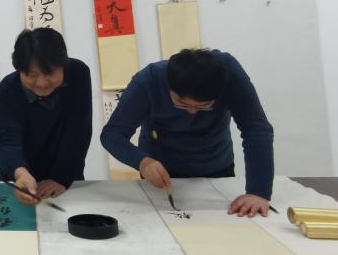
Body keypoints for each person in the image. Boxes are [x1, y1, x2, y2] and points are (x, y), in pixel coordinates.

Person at [100, 48, 275, 217]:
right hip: (160, 171)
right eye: (182, 104)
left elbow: (256, 129)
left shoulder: (229, 75)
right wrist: (142, 161)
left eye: (203, 106)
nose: (192, 112)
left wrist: (258, 192)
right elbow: (112, 134)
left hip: (216, 166)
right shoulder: (149, 81)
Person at [0, 28, 92, 205]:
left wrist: (61, 177)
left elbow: (78, 129)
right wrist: (20, 173)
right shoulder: (6, 92)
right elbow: (5, 140)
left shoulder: (78, 74)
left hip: (65, 177)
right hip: (19, 178)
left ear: (63, 66)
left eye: (49, 73)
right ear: (19, 70)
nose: (42, 83)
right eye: (32, 75)